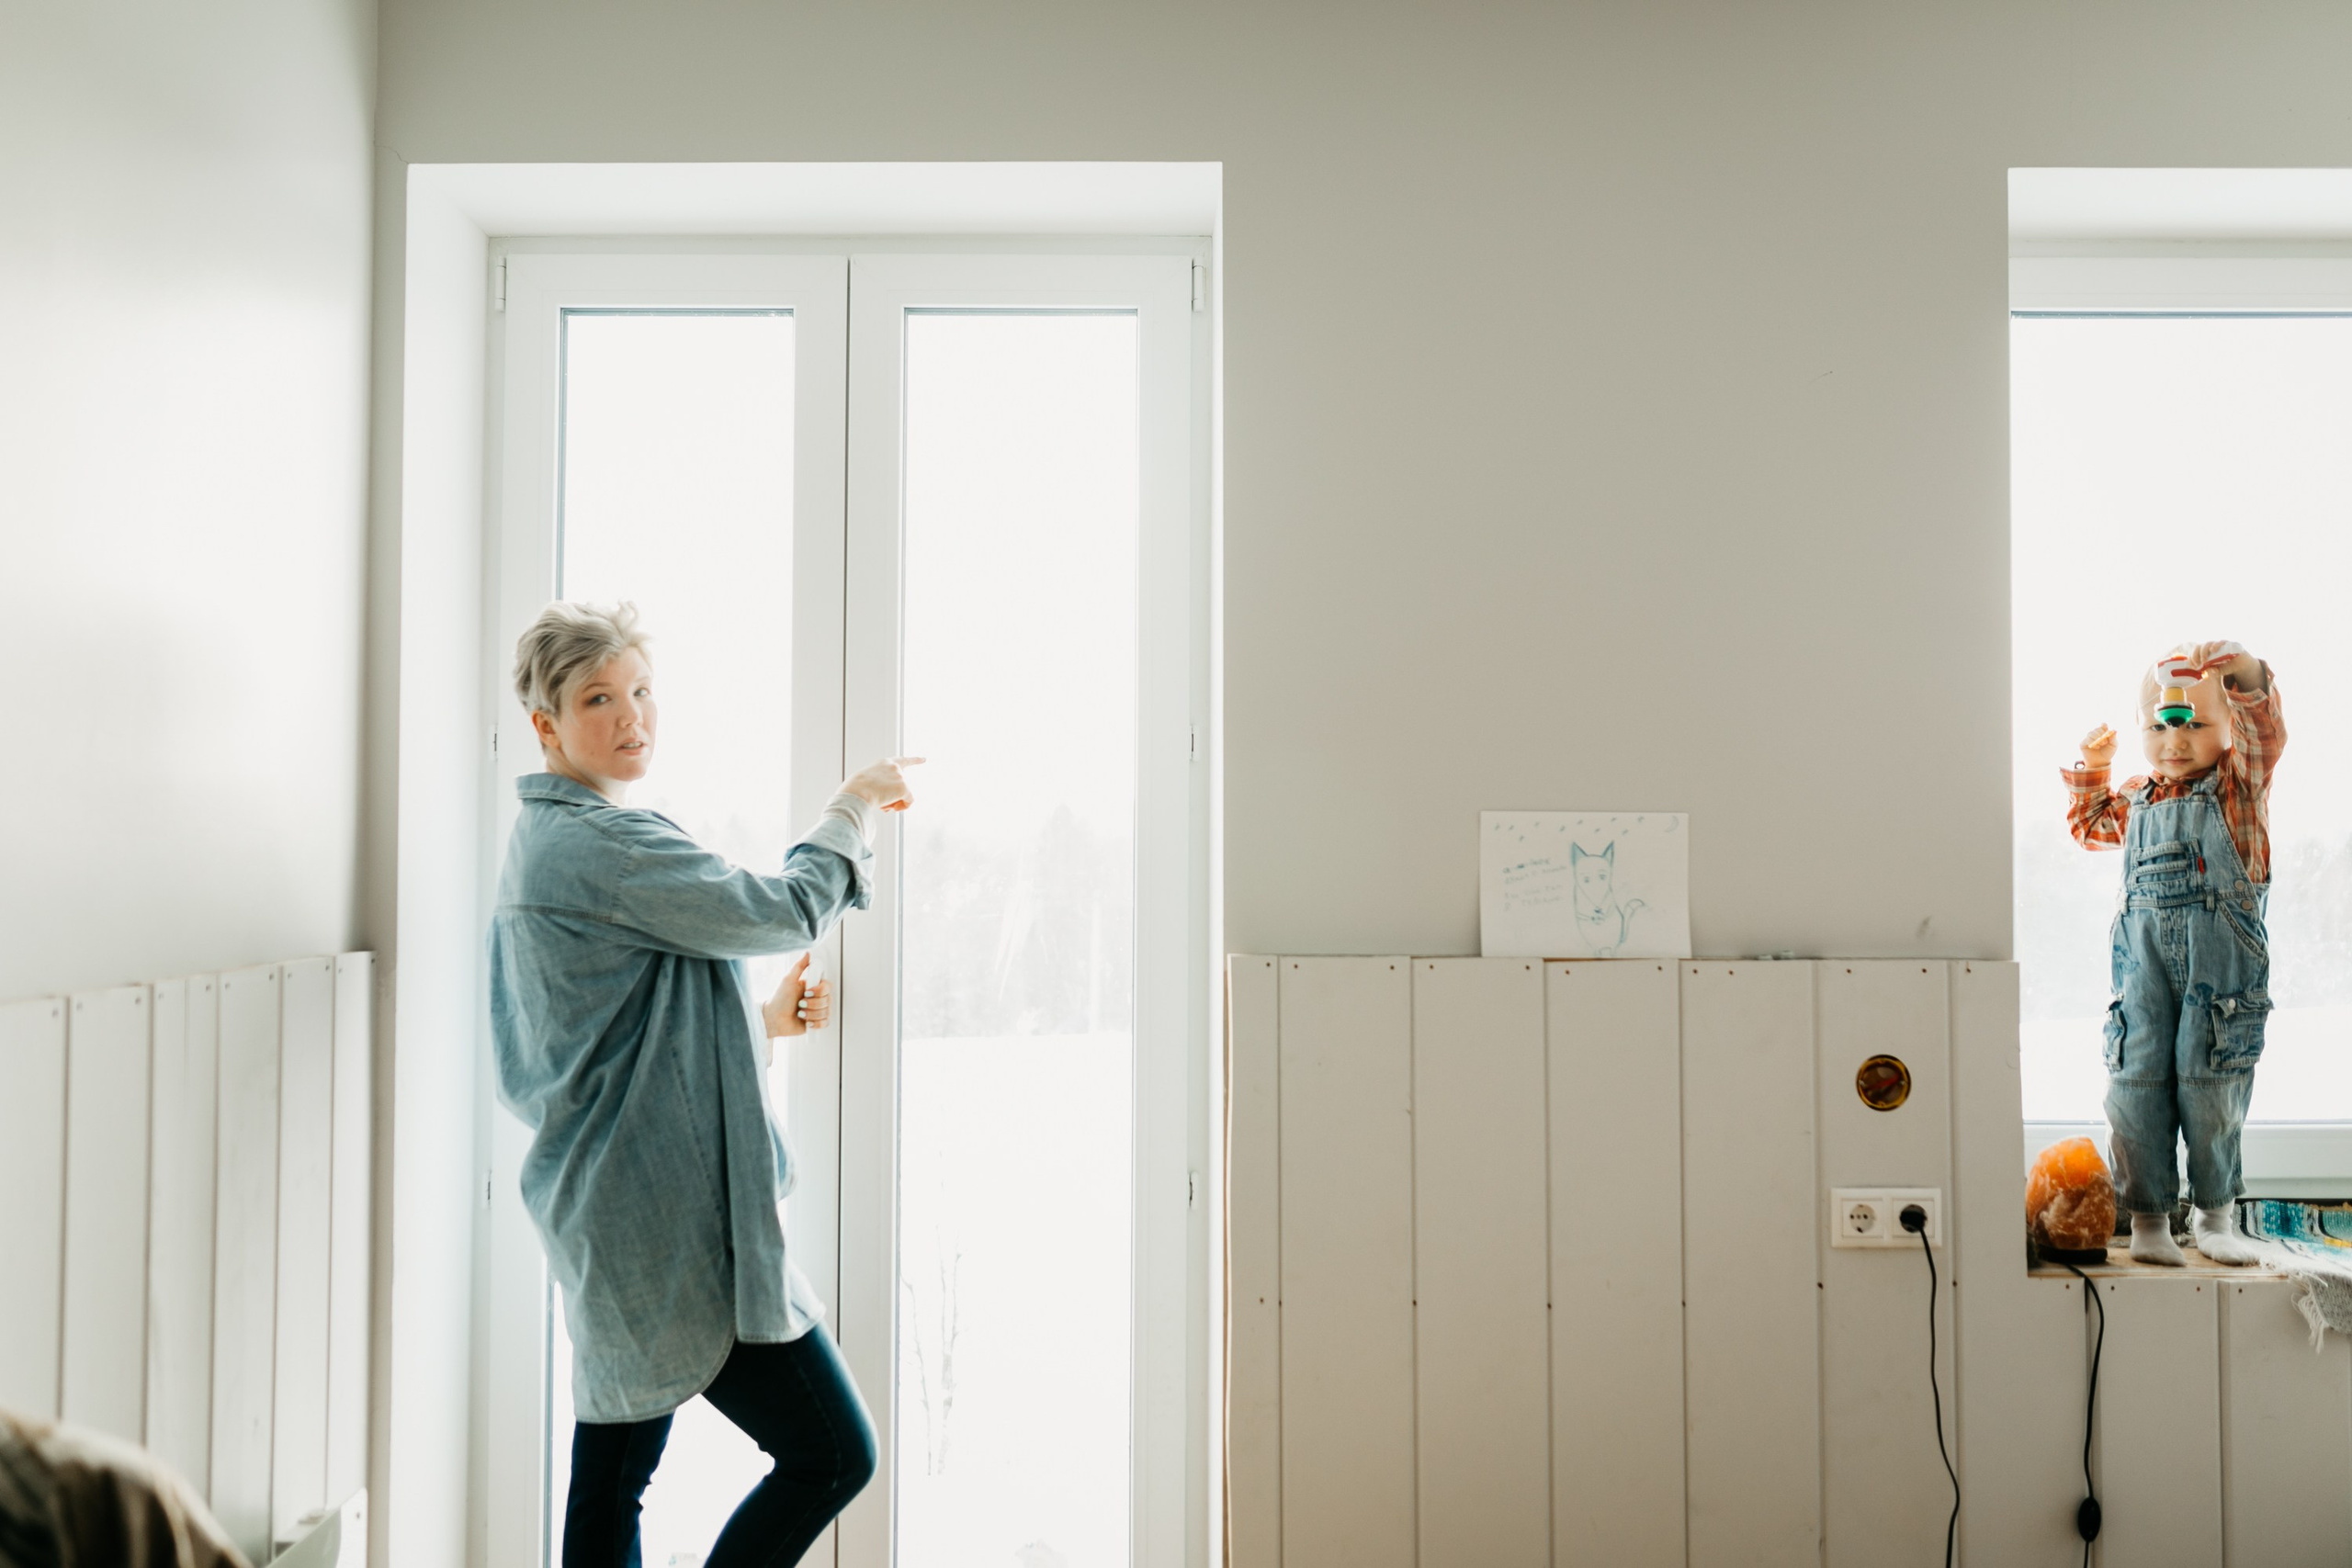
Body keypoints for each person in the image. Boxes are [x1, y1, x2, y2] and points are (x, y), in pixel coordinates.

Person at [489, 601, 920, 1567]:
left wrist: (753, 1024)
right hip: (661, 1221)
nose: (630, 716)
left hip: (614, 1207)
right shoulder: (598, 846)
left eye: (641, 691)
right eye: (598, 697)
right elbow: (783, 908)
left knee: (613, 1481)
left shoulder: (555, 840)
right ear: (546, 725)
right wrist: (851, 806)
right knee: (828, 1453)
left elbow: (593, 1038)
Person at [2067, 639, 2283, 1268]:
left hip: (2221, 973)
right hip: (2144, 970)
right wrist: (2094, 763)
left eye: (2193, 723)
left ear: (2228, 731)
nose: (2174, 739)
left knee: (2211, 1082)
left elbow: (2265, 731)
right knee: (2135, 1080)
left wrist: (2238, 671)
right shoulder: (2138, 798)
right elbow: (2087, 827)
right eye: (2158, 724)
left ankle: (2216, 1213)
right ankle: (2149, 1217)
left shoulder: (2238, 788)